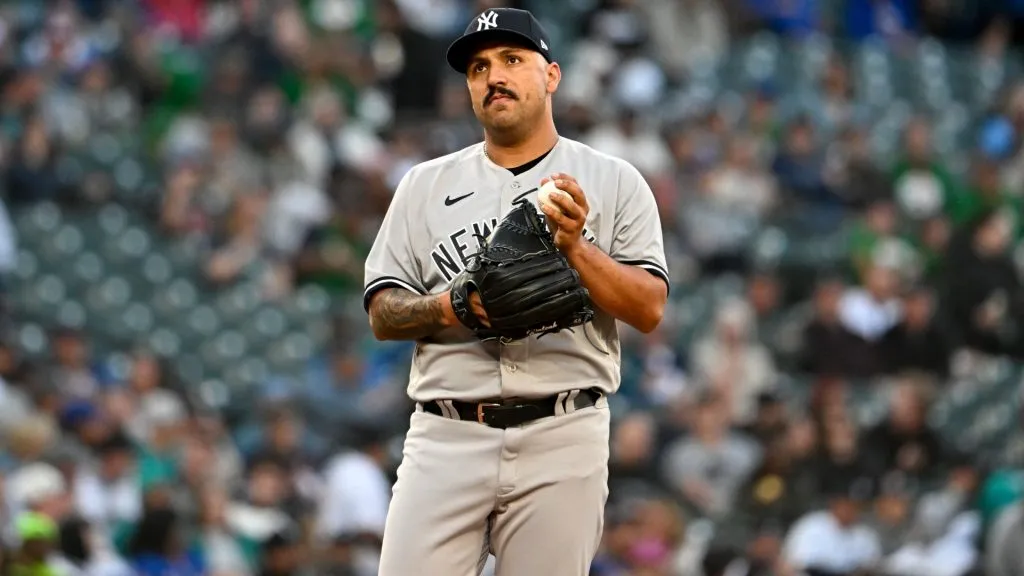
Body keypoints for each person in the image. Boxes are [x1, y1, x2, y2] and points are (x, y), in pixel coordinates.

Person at [361, 7, 669, 575]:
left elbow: (648, 308)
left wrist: (578, 249)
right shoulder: (423, 185)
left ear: (551, 75)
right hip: (446, 435)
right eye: (478, 68)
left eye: (511, 60)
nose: (492, 77)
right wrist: (454, 305)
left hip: (563, 431)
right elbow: (383, 312)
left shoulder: (613, 179)